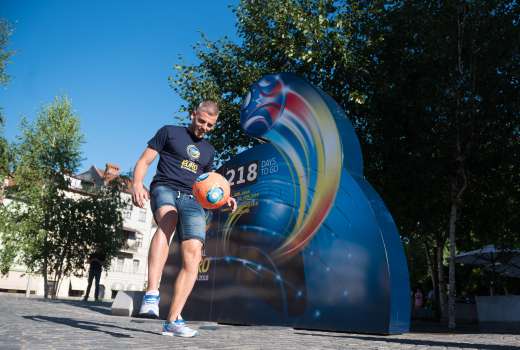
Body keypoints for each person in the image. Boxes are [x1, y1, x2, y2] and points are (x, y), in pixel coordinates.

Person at [132, 100, 237, 338]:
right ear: (192, 115)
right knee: (168, 219)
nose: (204, 127)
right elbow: (144, 161)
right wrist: (137, 184)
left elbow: (209, 185)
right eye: (201, 121)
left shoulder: (209, 151)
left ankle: (173, 320)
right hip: (165, 188)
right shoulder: (169, 132)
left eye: (210, 125)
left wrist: (224, 200)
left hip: (191, 199)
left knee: (194, 255)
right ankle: (151, 293)